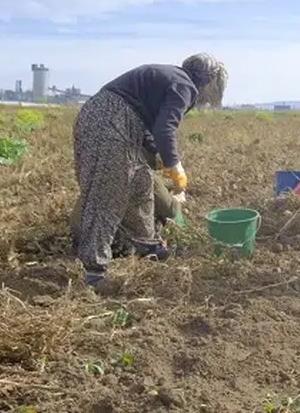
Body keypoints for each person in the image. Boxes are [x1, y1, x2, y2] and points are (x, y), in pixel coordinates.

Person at [72, 53, 228, 290]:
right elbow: (165, 129)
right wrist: (175, 167)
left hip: (110, 119)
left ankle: (149, 246)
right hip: (110, 121)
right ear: (208, 81)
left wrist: (161, 161)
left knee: (140, 184)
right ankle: (94, 273)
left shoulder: (170, 78)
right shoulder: (184, 85)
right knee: (106, 196)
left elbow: (150, 132)